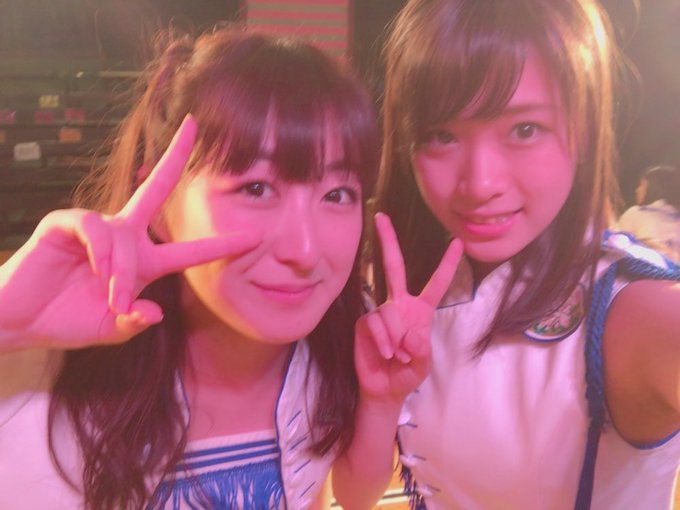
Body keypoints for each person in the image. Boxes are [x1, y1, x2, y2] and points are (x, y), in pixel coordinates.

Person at [0, 26, 379, 509]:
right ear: (159, 205)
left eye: (338, 194)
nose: (305, 251)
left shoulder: (337, 347)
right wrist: (6, 326)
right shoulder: (34, 388)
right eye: (256, 188)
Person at [332, 1, 680, 509]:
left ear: (583, 129)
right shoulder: (419, 292)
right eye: (441, 135)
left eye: (524, 129)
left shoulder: (631, 308)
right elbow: (355, 496)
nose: (480, 184)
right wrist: (379, 403)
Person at [618, 164, 680, 262]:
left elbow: (616, 246)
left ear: (652, 188)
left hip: (640, 268)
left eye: (641, 185)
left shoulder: (635, 213)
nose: (637, 190)